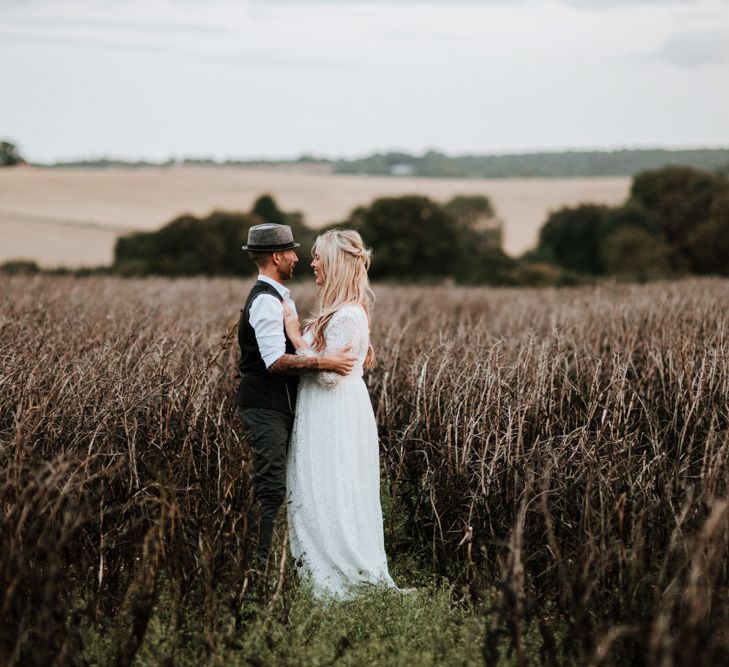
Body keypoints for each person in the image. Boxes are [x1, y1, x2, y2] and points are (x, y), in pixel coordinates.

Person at [282, 229, 399, 599]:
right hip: (325, 409)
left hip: (334, 410)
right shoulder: (343, 310)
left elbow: (331, 378)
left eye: (318, 257)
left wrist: (295, 337)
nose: (312, 263)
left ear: (336, 263)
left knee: (331, 487)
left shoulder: (348, 315)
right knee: (321, 486)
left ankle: (337, 570)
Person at [236, 223, 357, 573]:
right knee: (270, 488)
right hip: (265, 407)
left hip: (277, 407)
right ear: (276, 257)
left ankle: (280, 563)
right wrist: (325, 362)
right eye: (291, 252)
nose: (296, 258)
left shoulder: (277, 298)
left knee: (282, 485)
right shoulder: (264, 302)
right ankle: (256, 573)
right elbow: (274, 361)